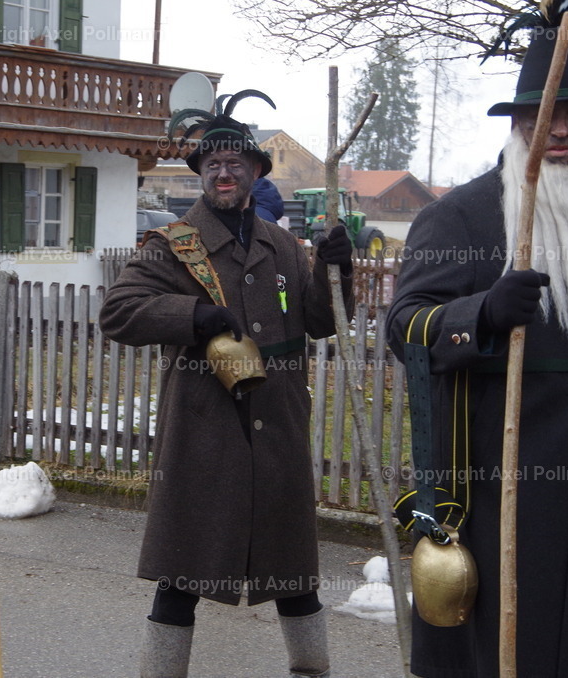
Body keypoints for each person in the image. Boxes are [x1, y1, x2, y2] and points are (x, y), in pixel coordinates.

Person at [387, 10, 568, 678]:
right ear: (520, 121)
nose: (562, 130)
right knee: (498, 652)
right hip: (499, 487)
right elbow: (405, 327)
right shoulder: (459, 216)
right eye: (546, 115)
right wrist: (482, 313)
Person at [99, 91, 354, 678]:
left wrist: (334, 267)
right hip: (203, 429)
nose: (223, 173)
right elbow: (118, 312)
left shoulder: (282, 244)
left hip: (278, 425)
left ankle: (312, 668)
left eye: (235, 163)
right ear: (201, 174)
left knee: (293, 569)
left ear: (255, 171)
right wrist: (194, 316)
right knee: (181, 571)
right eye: (212, 164)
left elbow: (321, 321)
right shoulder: (172, 245)